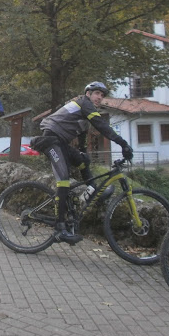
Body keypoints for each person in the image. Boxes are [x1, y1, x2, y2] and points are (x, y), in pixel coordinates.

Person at [34, 81, 134, 245]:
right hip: (50, 139)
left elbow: (81, 139)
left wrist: (82, 154)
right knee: (64, 179)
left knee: (83, 161)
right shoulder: (83, 103)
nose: (99, 98)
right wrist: (123, 143)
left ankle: (93, 190)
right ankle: (59, 229)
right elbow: (101, 125)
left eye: (102, 96)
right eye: (97, 94)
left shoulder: (85, 114)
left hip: (61, 142)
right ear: (88, 94)